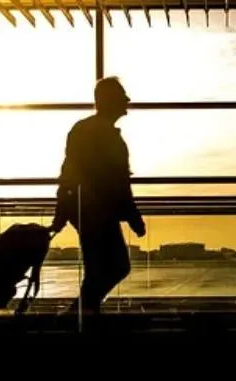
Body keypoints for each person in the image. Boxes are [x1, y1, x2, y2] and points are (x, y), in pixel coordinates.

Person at [50, 77, 146, 316]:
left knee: (99, 268)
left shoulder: (84, 129)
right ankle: (82, 312)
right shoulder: (105, 135)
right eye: (122, 96)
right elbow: (118, 181)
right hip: (98, 211)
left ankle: (84, 312)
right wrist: (134, 217)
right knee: (116, 266)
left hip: (85, 209)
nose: (127, 101)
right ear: (109, 100)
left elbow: (69, 172)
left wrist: (62, 212)